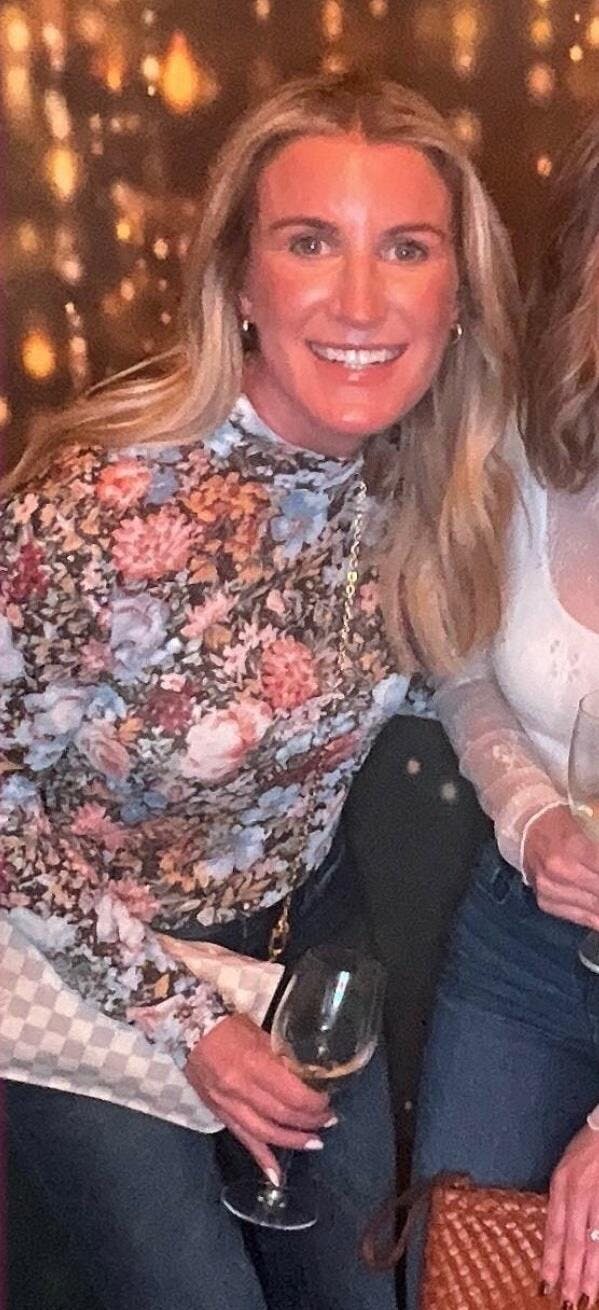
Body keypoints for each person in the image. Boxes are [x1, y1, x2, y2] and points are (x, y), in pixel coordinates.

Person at [0, 73, 518, 1310]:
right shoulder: (93, 507)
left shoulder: (416, 491)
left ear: (455, 295)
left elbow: (450, 679)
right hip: (91, 971)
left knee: (358, 1292)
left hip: (305, 954)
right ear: (239, 279)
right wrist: (188, 1017)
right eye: (309, 242)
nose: (359, 300)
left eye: (405, 248)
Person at [410, 114, 599, 1310]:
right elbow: (460, 665)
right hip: (520, 943)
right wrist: (529, 816)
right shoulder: (517, 441)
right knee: (461, 1278)